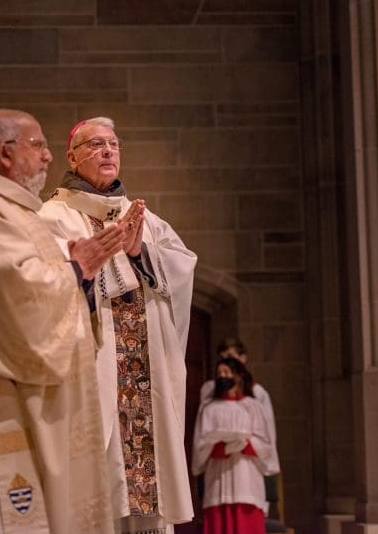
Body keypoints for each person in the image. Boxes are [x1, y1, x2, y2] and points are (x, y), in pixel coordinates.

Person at [0, 108, 128, 534]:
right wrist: (77, 268)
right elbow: (19, 299)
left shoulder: (19, 215)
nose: (46, 157)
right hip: (10, 413)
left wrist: (79, 269)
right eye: (38, 145)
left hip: (43, 408)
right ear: (5, 153)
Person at [39, 117, 197, 534]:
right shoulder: (54, 217)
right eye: (95, 144)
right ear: (72, 157)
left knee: (146, 487)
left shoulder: (146, 220)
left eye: (113, 143)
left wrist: (141, 251)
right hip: (92, 372)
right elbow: (44, 284)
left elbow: (183, 268)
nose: (107, 151)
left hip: (146, 380)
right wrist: (99, 262)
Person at [191, 357, 279, 534]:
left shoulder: (253, 407)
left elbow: (266, 446)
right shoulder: (209, 408)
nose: (222, 377)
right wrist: (221, 448)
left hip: (246, 479)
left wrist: (244, 444)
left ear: (238, 376)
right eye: (219, 374)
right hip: (217, 477)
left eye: (226, 372)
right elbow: (200, 447)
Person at [199, 337, 276, 444]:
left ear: (243, 358)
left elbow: (268, 433)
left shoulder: (258, 392)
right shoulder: (210, 389)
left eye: (230, 356)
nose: (225, 361)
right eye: (222, 357)